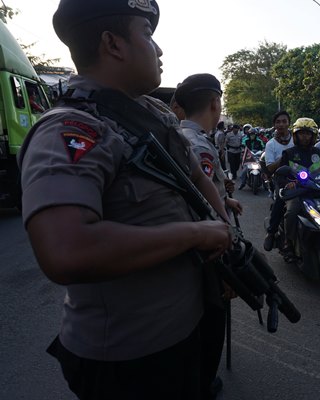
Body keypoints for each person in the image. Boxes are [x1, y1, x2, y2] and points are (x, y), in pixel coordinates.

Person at [18, 1, 233, 399]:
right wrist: (196, 234)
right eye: (148, 35)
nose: (160, 50)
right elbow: (67, 250)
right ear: (113, 44)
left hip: (186, 329)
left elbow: (197, 176)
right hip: (130, 359)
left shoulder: (152, 114)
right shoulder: (71, 130)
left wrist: (226, 233)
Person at [176, 73, 243, 216]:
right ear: (215, 103)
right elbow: (201, 199)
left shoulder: (182, 135)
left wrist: (226, 200)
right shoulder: (200, 146)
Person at [279, 117, 320, 255]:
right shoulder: (289, 153)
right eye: (301, 133)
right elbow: (280, 176)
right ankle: (288, 242)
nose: (305, 137)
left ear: (313, 135)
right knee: (291, 212)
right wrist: (287, 184)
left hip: (316, 190)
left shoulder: (317, 153)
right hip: (297, 192)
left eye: (308, 134)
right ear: (296, 135)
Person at [263, 110, 294, 251]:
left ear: (289, 123)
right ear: (274, 125)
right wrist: (284, 159)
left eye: (284, 121)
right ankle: (271, 232)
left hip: (300, 176)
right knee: (281, 200)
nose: (281, 124)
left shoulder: (297, 139)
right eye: (278, 122)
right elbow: (269, 167)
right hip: (280, 178)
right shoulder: (271, 144)